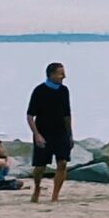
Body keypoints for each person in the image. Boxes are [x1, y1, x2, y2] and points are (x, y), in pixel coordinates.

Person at [26, 62, 72, 204]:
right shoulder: (39, 91)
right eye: (60, 73)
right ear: (51, 74)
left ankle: (55, 195)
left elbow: (67, 115)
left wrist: (70, 135)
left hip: (61, 132)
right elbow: (29, 116)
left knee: (62, 162)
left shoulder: (64, 90)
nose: (63, 76)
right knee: (40, 166)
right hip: (43, 132)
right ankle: (37, 188)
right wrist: (37, 135)